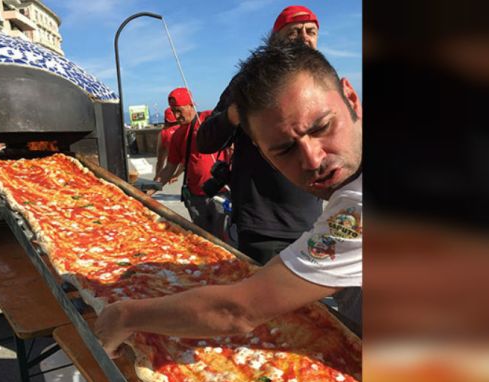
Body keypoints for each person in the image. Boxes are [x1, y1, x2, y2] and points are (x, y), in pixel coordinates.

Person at [96, 44, 362, 355]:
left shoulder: (356, 210)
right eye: (284, 149)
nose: (313, 158)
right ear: (262, 153)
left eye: (322, 126)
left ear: (351, 97)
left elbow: (237, 311)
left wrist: (124, 315)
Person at [197, 5, 323, 265]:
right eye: (294, 32)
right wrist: (233, 114)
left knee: (309, 306)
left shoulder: (323, 82)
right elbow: (205, 140)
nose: (304, 37)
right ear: (275, 39)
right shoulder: (248, 81)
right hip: (262, 227)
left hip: (313, 223)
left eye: (310, 31)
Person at [151, 88, 230, 240]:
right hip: (195, 197)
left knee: (225, 239)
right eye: (174, 111)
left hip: (221, 193)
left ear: (191, 105)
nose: (177, 116)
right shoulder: (178, 135)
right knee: (203, 239)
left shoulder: (209, 119)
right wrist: (150, 190)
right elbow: (169, 168)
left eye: (179, 110)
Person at [153, 107, 181, 182]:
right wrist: (177, 174)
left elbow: (160, 160)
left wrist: (157, 175)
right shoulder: (185, 129)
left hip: (172, 161)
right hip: (184, 162)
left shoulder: (164, 133)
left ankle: (156, 181)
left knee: (161, 159)